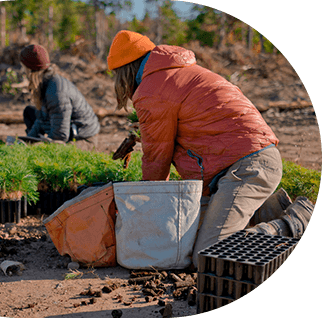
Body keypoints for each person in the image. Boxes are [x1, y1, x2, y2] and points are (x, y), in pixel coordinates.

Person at [107, 30, 314, 268]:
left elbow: (156, 160)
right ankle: (273, 210)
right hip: (243, 164)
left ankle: (294, 223)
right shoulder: (176, 72)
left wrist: (150, 213)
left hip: (246, 168)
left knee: (209, 256)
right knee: (192, 234)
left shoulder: (154, 88)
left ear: (125, 72)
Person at [19, 44, 100, 151]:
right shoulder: (45, 83)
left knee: (51, 151)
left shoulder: (56, 91)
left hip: (84, 138)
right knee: (29, 112)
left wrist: (39, 146)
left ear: (31, 70)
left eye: (24, 68)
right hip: (68, 130)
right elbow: (41, 119)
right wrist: (28, 140)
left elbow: (60, 136)